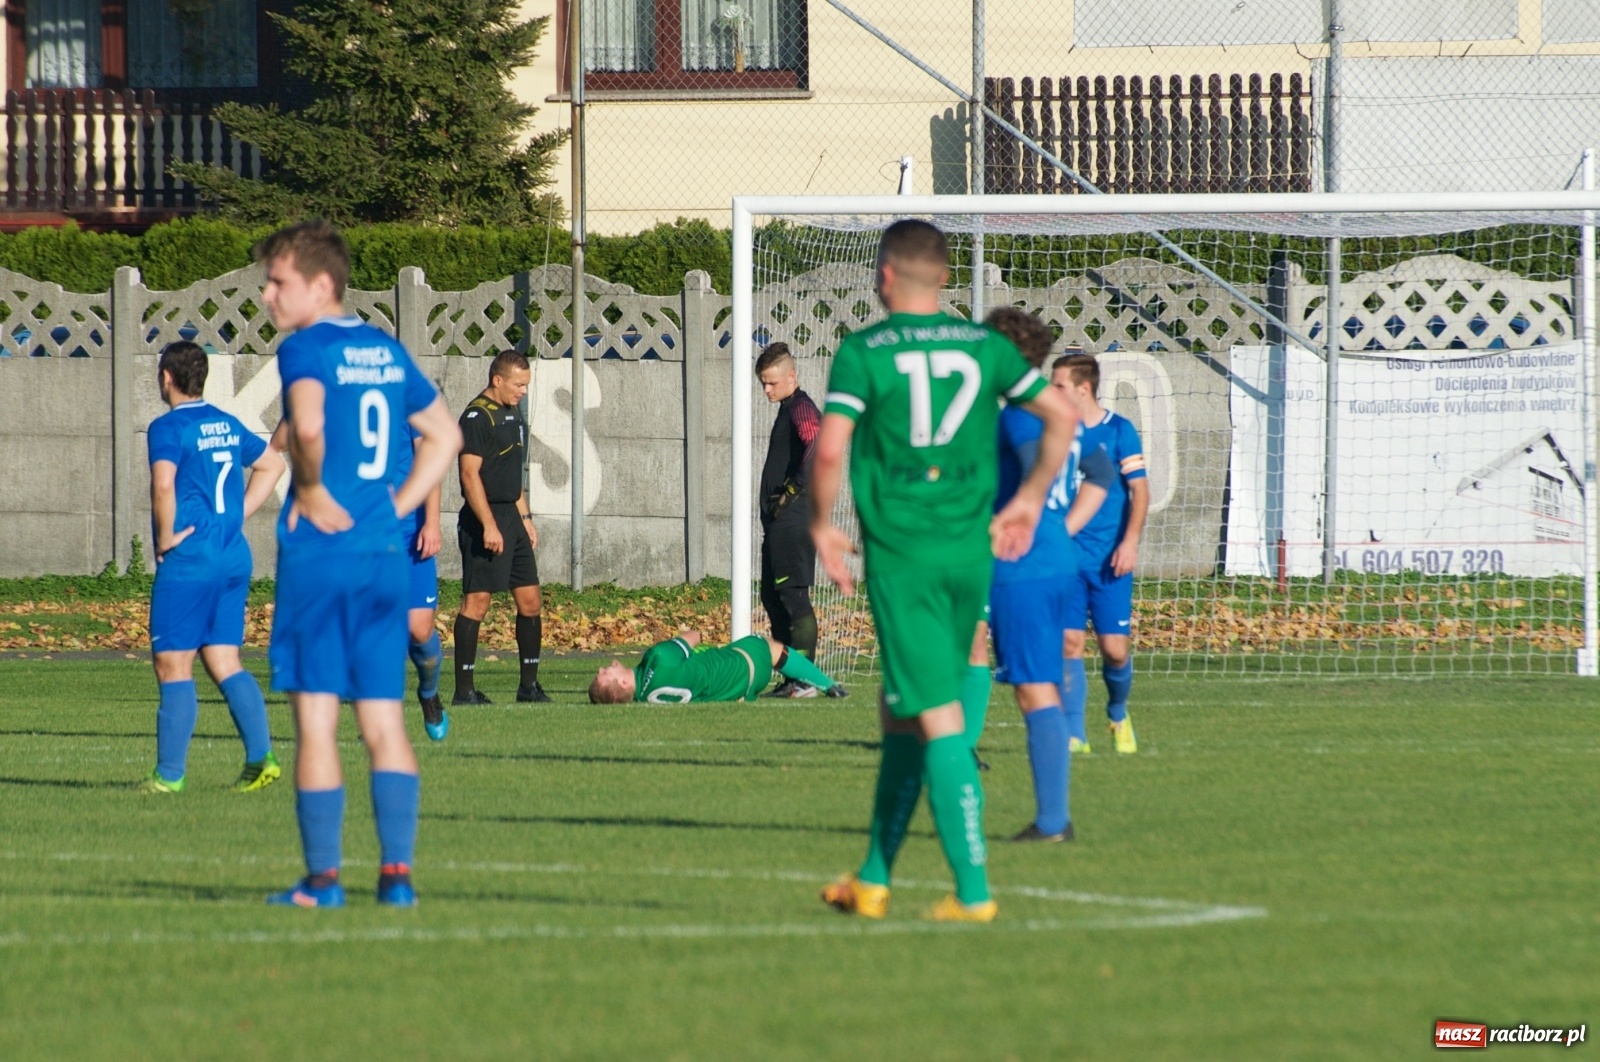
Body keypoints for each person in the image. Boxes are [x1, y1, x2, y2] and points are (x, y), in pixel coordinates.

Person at [809, 219, 1076, 923]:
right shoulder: (985, 347)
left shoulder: (864, 351)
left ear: (885, 276)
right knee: (901, 711)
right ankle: (872, 879)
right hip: (969, 555)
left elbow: (830, 448)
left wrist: (822, 524)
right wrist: (1028, 500)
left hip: (906, 557)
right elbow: (1060, 416)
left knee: (935, 714)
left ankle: (973, 892)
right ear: (946, 278)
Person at [260, 220, 461, 908]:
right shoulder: (384, 350)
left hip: (322, 557)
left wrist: (312, 488)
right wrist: (397, 504)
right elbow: (445, 435)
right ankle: (397, 879)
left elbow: (308, 425)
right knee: (383, 722)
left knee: (317, 722)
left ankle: (322, 883)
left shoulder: (304, 348)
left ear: (321, 285)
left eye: (278, 282)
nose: (267, 295)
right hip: (381, 555)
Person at [979, 309, 1115, 843]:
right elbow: (1097, 472)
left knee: (1034, 690)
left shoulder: (1020, 414)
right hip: (1057, 556)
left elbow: (1037, 456)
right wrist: (1058, 522)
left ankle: (1054, 822)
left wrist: (1024, 507)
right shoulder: (1058, 411)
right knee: (1042, 683)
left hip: (1025, 565)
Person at [140, 340, 285, 794]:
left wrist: (165, 536)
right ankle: (261, 758)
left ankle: (169, 776)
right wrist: (236, 515)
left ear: (167, 378)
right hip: (232, 556)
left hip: (190, 560)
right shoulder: (225, 423)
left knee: (172, 663)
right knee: (223, 659)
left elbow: (163, 485)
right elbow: (272, 464)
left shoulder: (167, 427)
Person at [1054, 353, 1150, 755]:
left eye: (1058, 385)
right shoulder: (1053, 431)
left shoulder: (1118, 431)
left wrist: (1129, 542)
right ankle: (1075, 734)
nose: (1051, 391)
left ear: (1083, 388)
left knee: (1114, 650)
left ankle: (1117, 712)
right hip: (1065, 558)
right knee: (1069, 643)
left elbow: (1139, 491)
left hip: (1109, 560)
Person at [452, 350, 550, 705]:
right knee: (477, 603)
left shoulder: (513, 414)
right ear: (498, 380)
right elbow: (469, 475)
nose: (523, 391)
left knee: (531, 601)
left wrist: (525, 519)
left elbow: (511, 474)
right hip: (485, 519)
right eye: (518, 384)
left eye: (526, 385)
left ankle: (528, 687)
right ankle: (464, 692)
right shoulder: (477, 417)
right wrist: (489, 526)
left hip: (512, 517)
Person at [754, 341, 824, 696]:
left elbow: (818, 443)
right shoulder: (787, 408)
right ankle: (790, 677)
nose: (766, 389)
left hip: (794, 522)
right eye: (763, 383)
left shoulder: (801, 406)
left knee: (794, 598)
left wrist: (793, 489)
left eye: (772, 382)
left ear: (791, 377)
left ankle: (806, 679)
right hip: (778, 524)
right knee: (772, 597)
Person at [588, 630, 846, 704]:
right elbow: (694, 636)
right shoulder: (658, 658)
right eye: (605, 674)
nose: (603, 668)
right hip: (744, 666)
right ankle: (827, 684)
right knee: (766, 645)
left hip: (738, 690)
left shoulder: (643, 698)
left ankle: (802, 685)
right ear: (623, 683)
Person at [396, 427, 447, 741]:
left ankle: (429, 691)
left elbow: (431, 460)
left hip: (409, 535)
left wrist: (432, 522)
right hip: (367, 536)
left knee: (418, 628)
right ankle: (380, 716)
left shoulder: (409, 405)